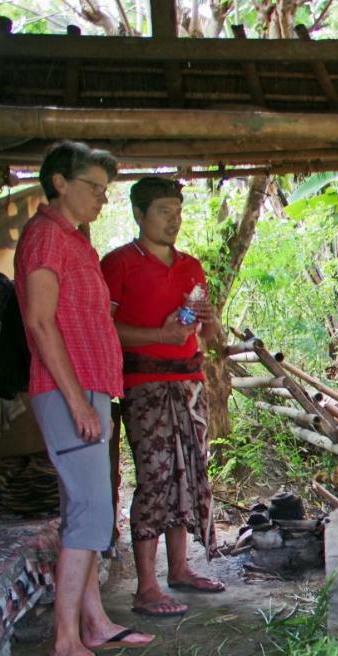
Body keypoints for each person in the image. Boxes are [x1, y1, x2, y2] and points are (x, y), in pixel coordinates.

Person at [16, 141, 154, 656]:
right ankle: (66, 643)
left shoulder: (73, 239)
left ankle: (93, 623)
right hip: (67, 390)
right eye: (93, 187)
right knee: (90, 510)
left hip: (89, 386)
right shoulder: (46, 236)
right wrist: (77, 400)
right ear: (58, 182)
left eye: (104, 189)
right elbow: (41, 323)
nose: (101, 198)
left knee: (92, 510)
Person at [102, 177, 223, 617]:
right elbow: (104, 328)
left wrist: (210, 320)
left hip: (189, 382)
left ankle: (180, 570)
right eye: (162, 211)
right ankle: (146, 587)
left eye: (178, 211)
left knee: (188, 471)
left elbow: (209, 335)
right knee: (155, 476)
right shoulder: (118, 264)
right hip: (144, 384)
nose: (173, 220)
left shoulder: (191, 266)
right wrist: (160, 334)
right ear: (138, 214)